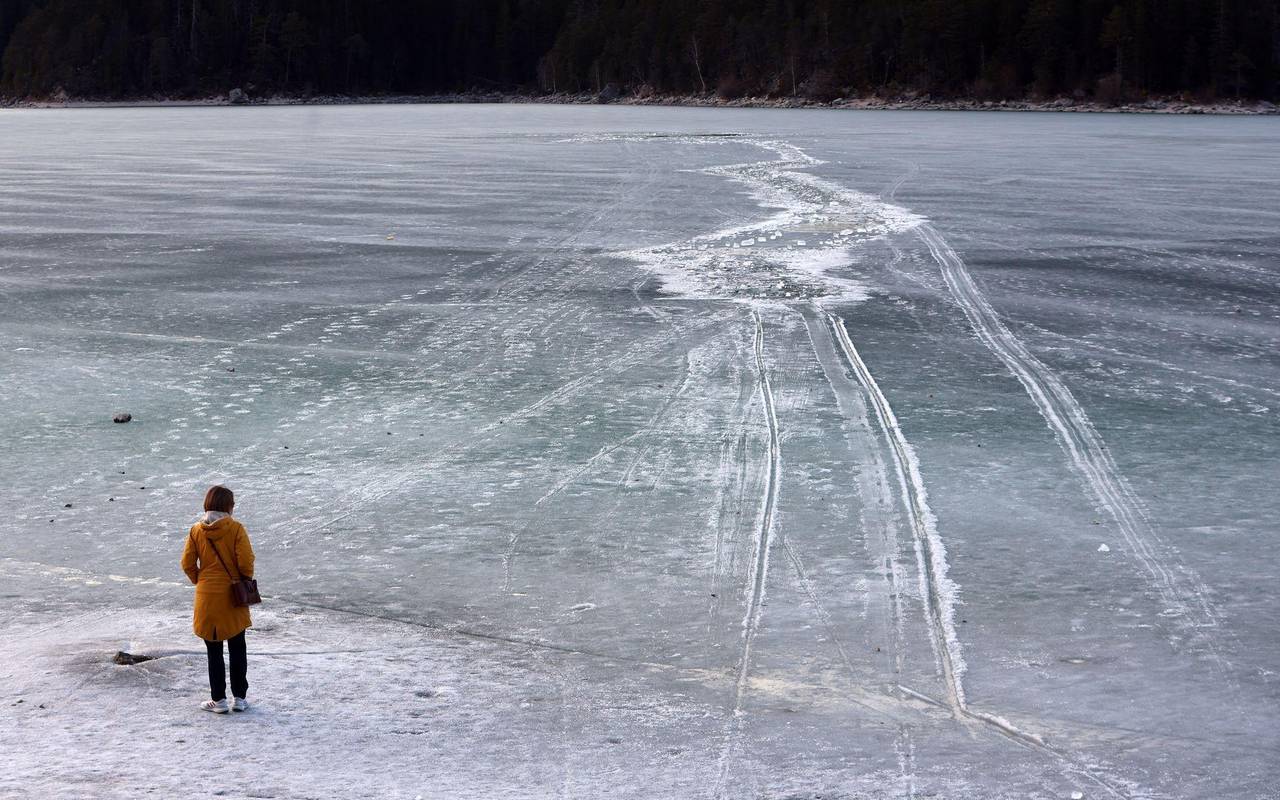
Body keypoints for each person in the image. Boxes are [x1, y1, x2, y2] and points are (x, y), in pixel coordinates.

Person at [181, 485, 255, 713]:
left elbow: (187, 563)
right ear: (228, 506)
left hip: (207, 597)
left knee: (213, 650)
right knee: (237, 646)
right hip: (232, 595)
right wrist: (242, 579)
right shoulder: (236, 529)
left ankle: (219, 700)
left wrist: (201, 580)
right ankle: (240, 698)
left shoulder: (196, 530)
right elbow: (246, 562)